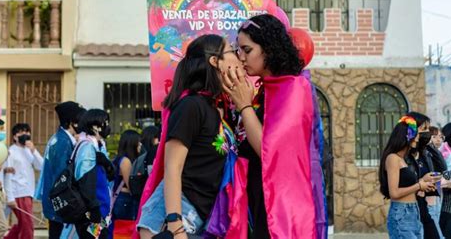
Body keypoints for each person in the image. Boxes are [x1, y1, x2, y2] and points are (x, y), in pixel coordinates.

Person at [223, 14, 319, 238]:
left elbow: (269, 152)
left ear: (268, 48)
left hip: (281, 207)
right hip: (260, 198)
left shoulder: (293, 89)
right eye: (238, 51)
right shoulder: (268, 90)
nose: (242, 57)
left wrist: (245, 106)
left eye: (247, 50)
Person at [136, 34, 242, 239]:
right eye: (231, 51)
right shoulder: (191, 106)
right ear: (215, 61)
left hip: (197, 217)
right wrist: (175, 224)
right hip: (169, 219)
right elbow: (172, 167)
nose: (237, 56)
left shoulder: (217, 107)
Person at [35, 101, 86, 239]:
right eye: (80, 119)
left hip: (57, 204)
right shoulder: (62, 143)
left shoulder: (60, 139)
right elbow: (63, 177)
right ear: (71, 122)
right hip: (61, 206)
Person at [379, 116, 436, 238]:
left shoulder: (403, 159)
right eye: (416, 134)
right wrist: (419, 185)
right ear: (406, 136)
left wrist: (423, 181)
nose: (417, 138)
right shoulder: (393, 158)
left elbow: (406, 184)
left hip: (413, 211)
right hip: (401, 213)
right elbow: (394, 193)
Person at [73, 109, 114, 239]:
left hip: (100, 210)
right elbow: (85, 181)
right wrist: (94, 209)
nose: (107, 126)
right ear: (95, 127)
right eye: (105, 123)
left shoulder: (99, 146)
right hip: (91, 213)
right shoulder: (87, 148)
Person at [404, 112, 443, 239]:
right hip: (408, 211)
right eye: (424, 129)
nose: (428, 133)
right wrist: (421, 182)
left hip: (423, 206)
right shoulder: (402, 156)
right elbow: (397, 188)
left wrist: (430, 145)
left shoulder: (424, 153)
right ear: (413, 131)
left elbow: (443, 167)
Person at [4, 123, 44, 239]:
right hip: (18, 193)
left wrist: (33, 150)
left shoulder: (28, 150)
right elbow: (8, 176)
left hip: (28, 192)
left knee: (22, 224)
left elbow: (41, 166)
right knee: (27, 225)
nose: (25, 135)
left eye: (27, 132)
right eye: (21, 132)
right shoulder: (11, 152)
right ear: (15, 136)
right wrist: (10, 197)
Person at [110, 129, 142, 239]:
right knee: (124, 231)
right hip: (125, 201)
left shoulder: (118, 159)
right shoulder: (126, 161)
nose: (140, 145)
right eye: (139, 142)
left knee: (118, 230)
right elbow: (131, 186)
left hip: (119, 200)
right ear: (132, 143)